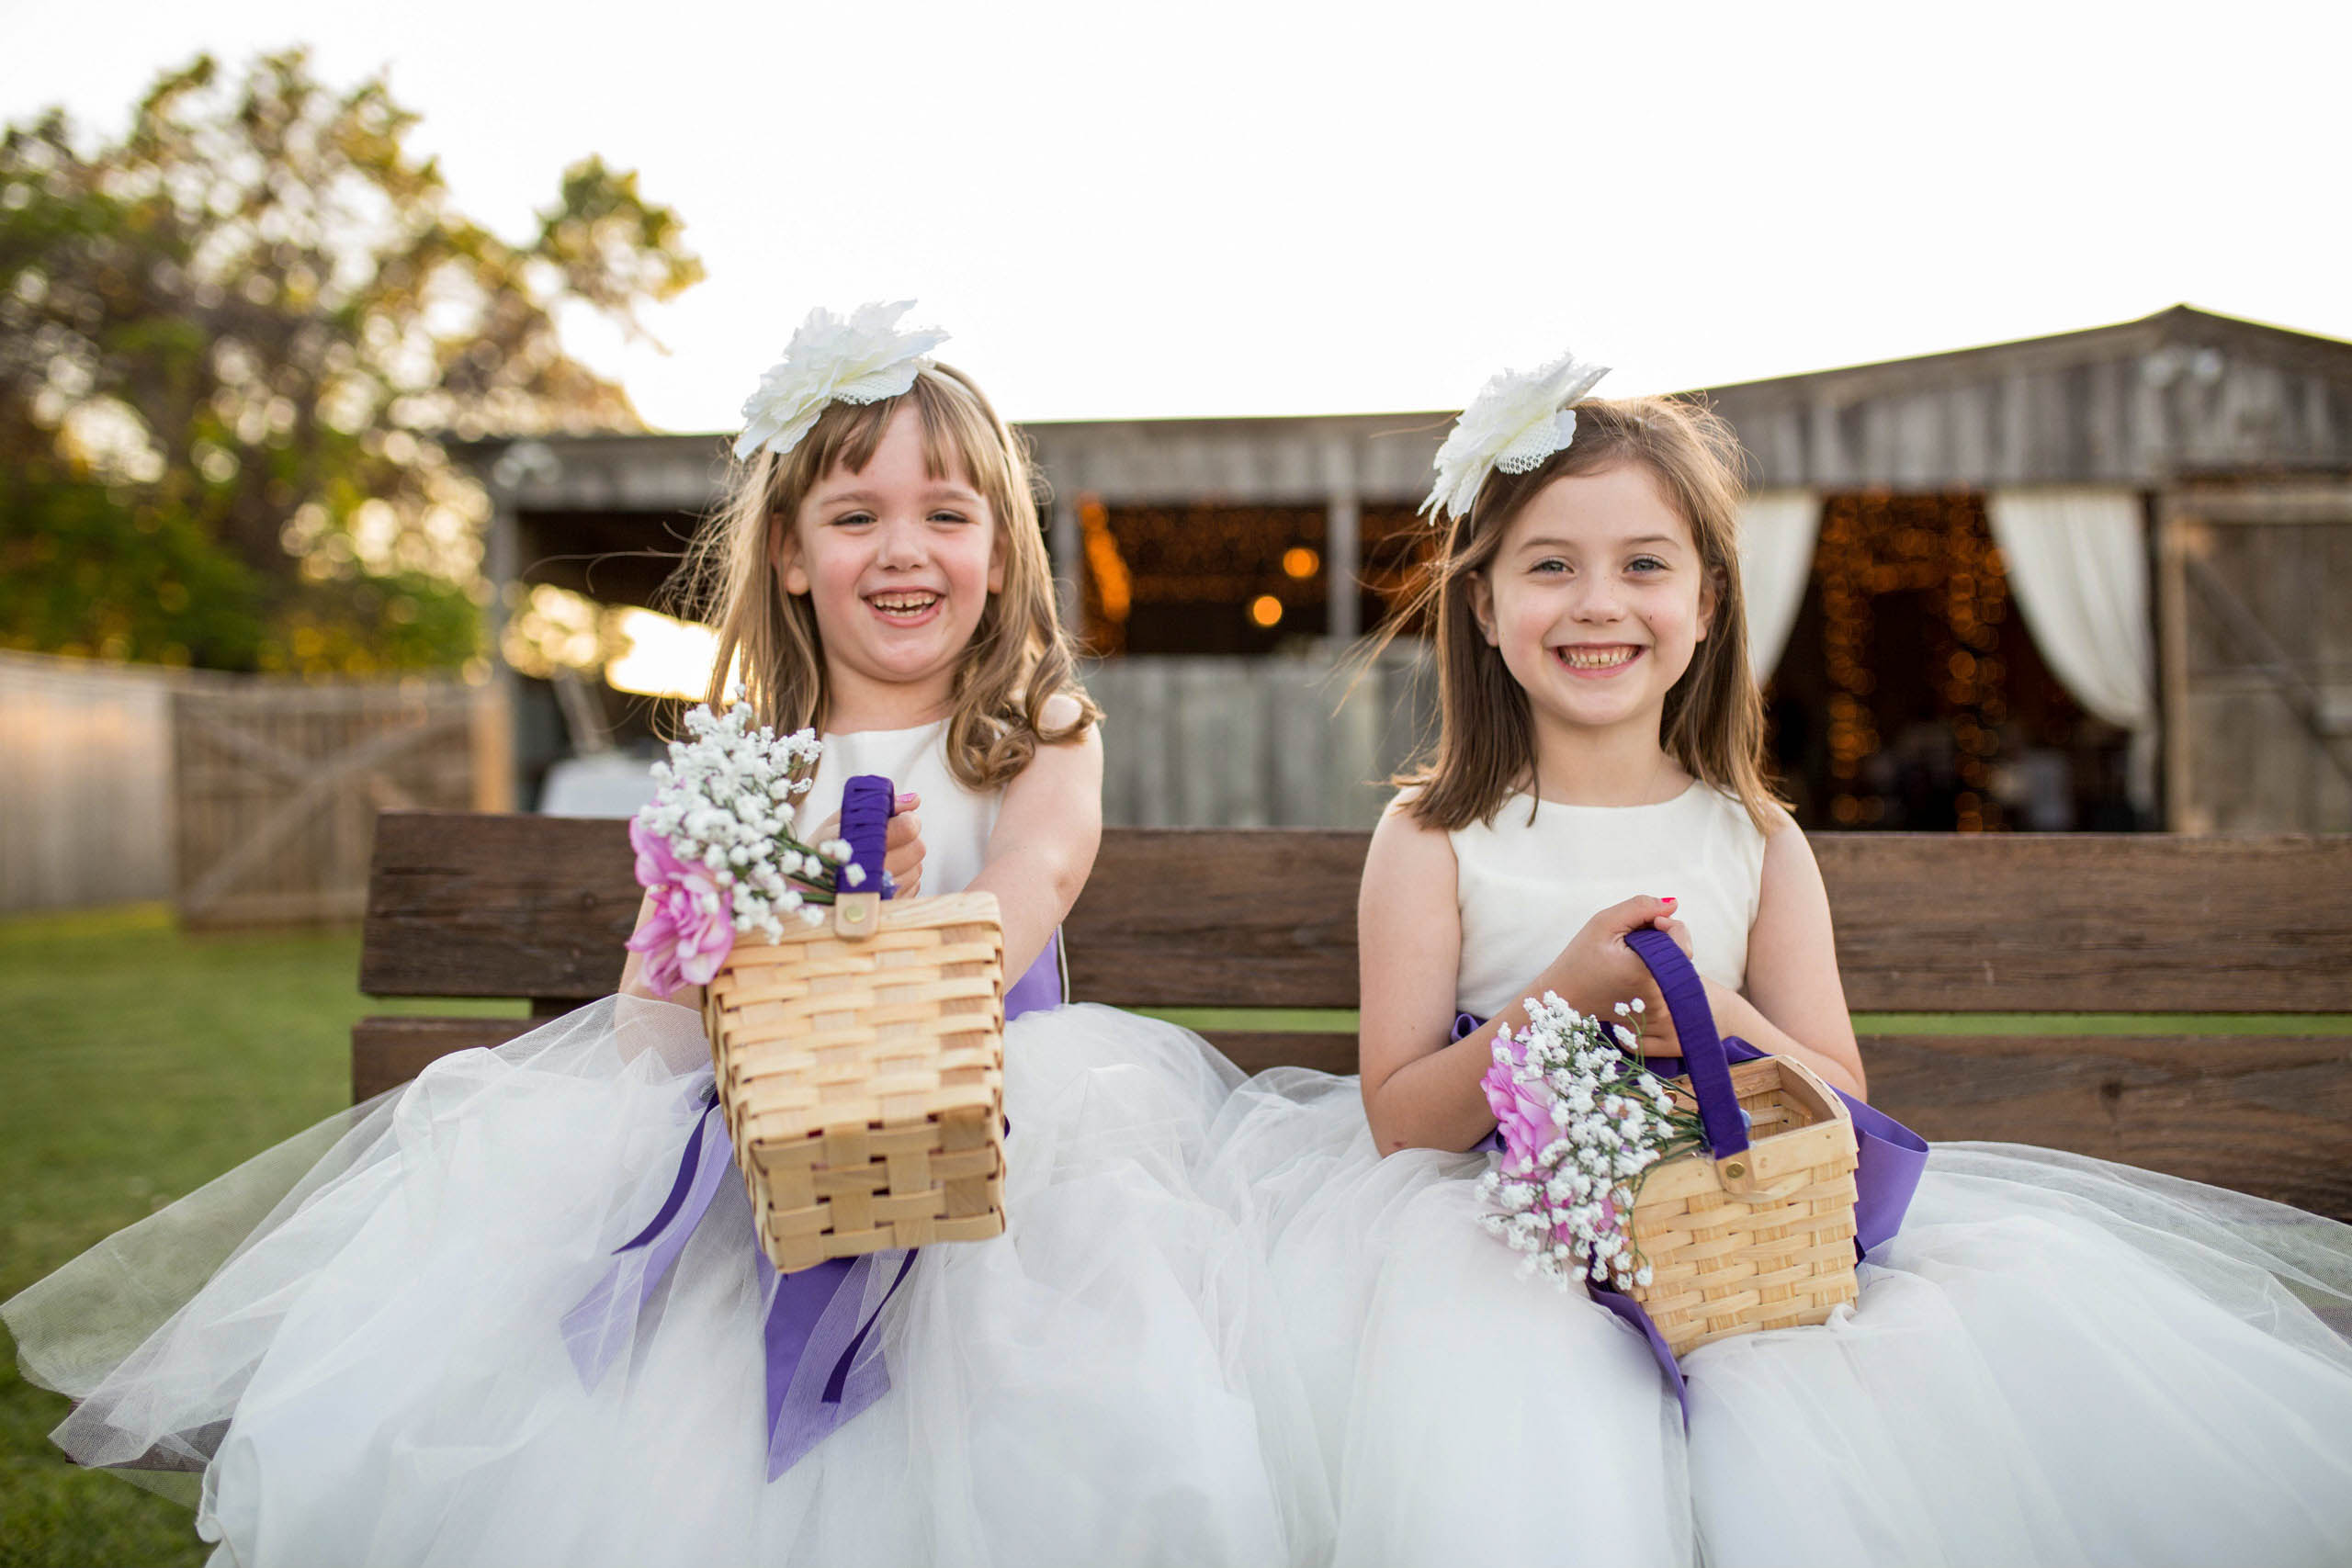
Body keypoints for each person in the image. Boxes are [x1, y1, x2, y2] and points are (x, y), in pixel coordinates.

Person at [4, 303, 1326, 1567]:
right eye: (857, 516)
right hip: (765, 1154)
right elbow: (649, 1012)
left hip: (997, 1151)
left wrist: (901, 928)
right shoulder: (739, 764)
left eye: (946, 513)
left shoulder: (1037, 727)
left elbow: (1036, 882)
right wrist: (764, 923)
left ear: (1000, 546)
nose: (905, 548)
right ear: (795, 557)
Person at [1200, 352, 2352, 1567]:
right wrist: (1562, 1001)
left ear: (1706, 603)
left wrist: (1728, 1017)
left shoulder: (1752, 837)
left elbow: (1844, 1096)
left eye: (1645, 564)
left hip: (1739, 1231)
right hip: (1506, 1244)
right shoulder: (1437, 836)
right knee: (1538, 1410)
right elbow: (1397, 1121)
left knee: (1916, 1376)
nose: (1600, 603)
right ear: (1484, 609)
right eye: (1552, 567)